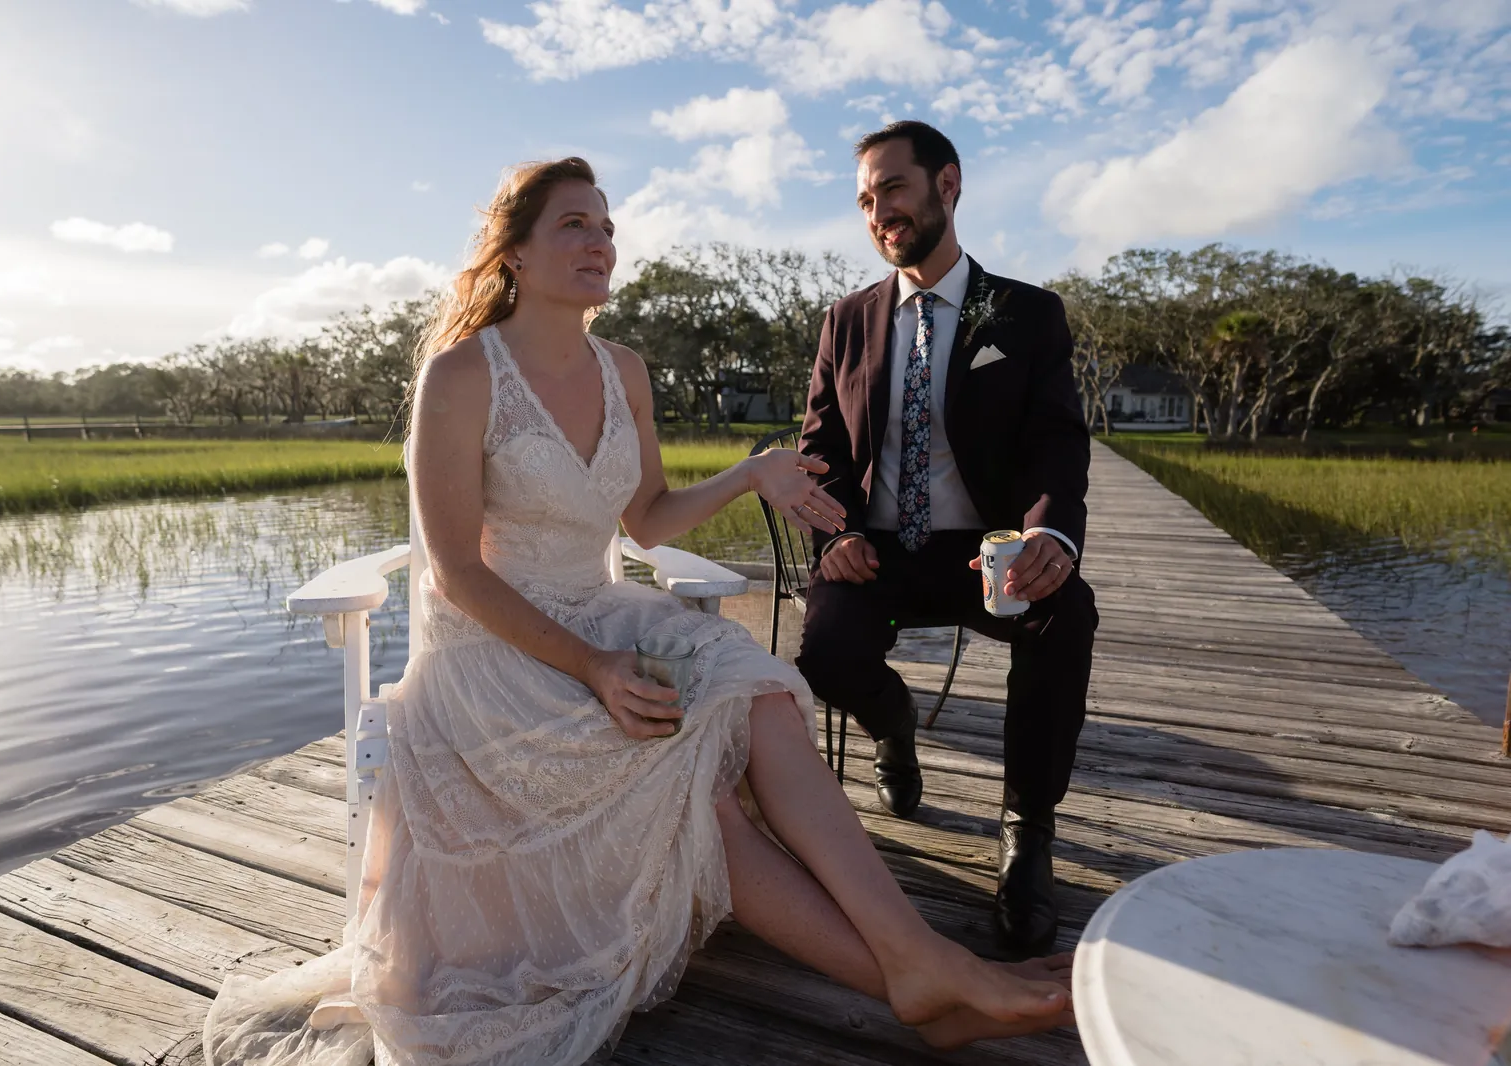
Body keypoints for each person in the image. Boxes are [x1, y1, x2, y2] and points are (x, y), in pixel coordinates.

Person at [203, 157, 1072, 1066]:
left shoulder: (625, 370)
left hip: (600, 608)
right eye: (575, 225)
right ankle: (918, 975)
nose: (600, 243)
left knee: (762, 697)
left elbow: (647, 519)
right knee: (692, 790)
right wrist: (595, 668)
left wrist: (751, 476)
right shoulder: (459, 378)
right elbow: (457, 573)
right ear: (516, 254)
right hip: (492, 651)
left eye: (608, 227)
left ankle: (918, 963)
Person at [796, 121, 1098, 960]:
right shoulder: (846, 321)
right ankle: (894, 727)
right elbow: (819, 447)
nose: (879, 211)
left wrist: (1050, 537)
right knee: (824, 655)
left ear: (947, 185)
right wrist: (841, 530)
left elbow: (1056, 442)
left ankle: (1027, 835)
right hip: (879, 550)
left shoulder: (1028, 315)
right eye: (865, 198)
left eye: (893, 187)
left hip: (988, 550)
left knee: (1065, 617)